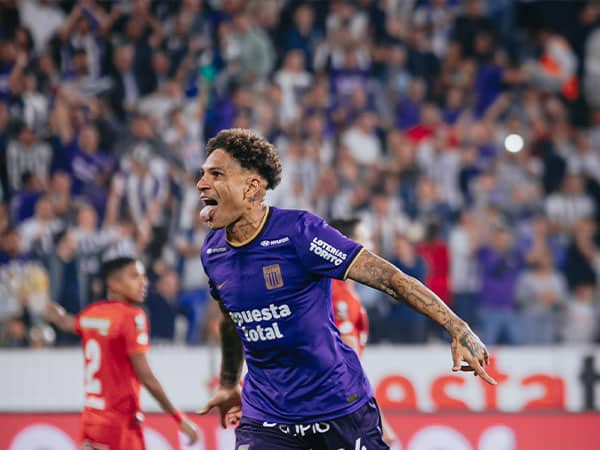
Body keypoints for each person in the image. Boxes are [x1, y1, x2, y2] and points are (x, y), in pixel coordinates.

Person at [197, 129, 495, 450]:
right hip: (266, 415)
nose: (201, 184)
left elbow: (390, 279)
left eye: (216, 174)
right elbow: (232, 319)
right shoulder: (213, 251)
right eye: (203, 174)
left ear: (251, 187)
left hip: (338, 407)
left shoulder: (299, 232)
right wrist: (229, 383)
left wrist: (458, 328)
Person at [45, 256, 198, 449]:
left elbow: (68, 323)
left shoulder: (92, 313)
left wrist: (53, 312)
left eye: (143, 276)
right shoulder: (132, 317)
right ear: (114, 283)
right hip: (120, 425)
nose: (143, 282)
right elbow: (146, 377)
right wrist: (179, 418)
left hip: (91, 420)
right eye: (134, 276)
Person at [328, 217, 398, 447]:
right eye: (365, 240)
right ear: (348, 244)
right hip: (339, 406)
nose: (372, 247)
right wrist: (378, 420)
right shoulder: (337, 293)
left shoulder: (345, 291)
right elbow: (349, 362)